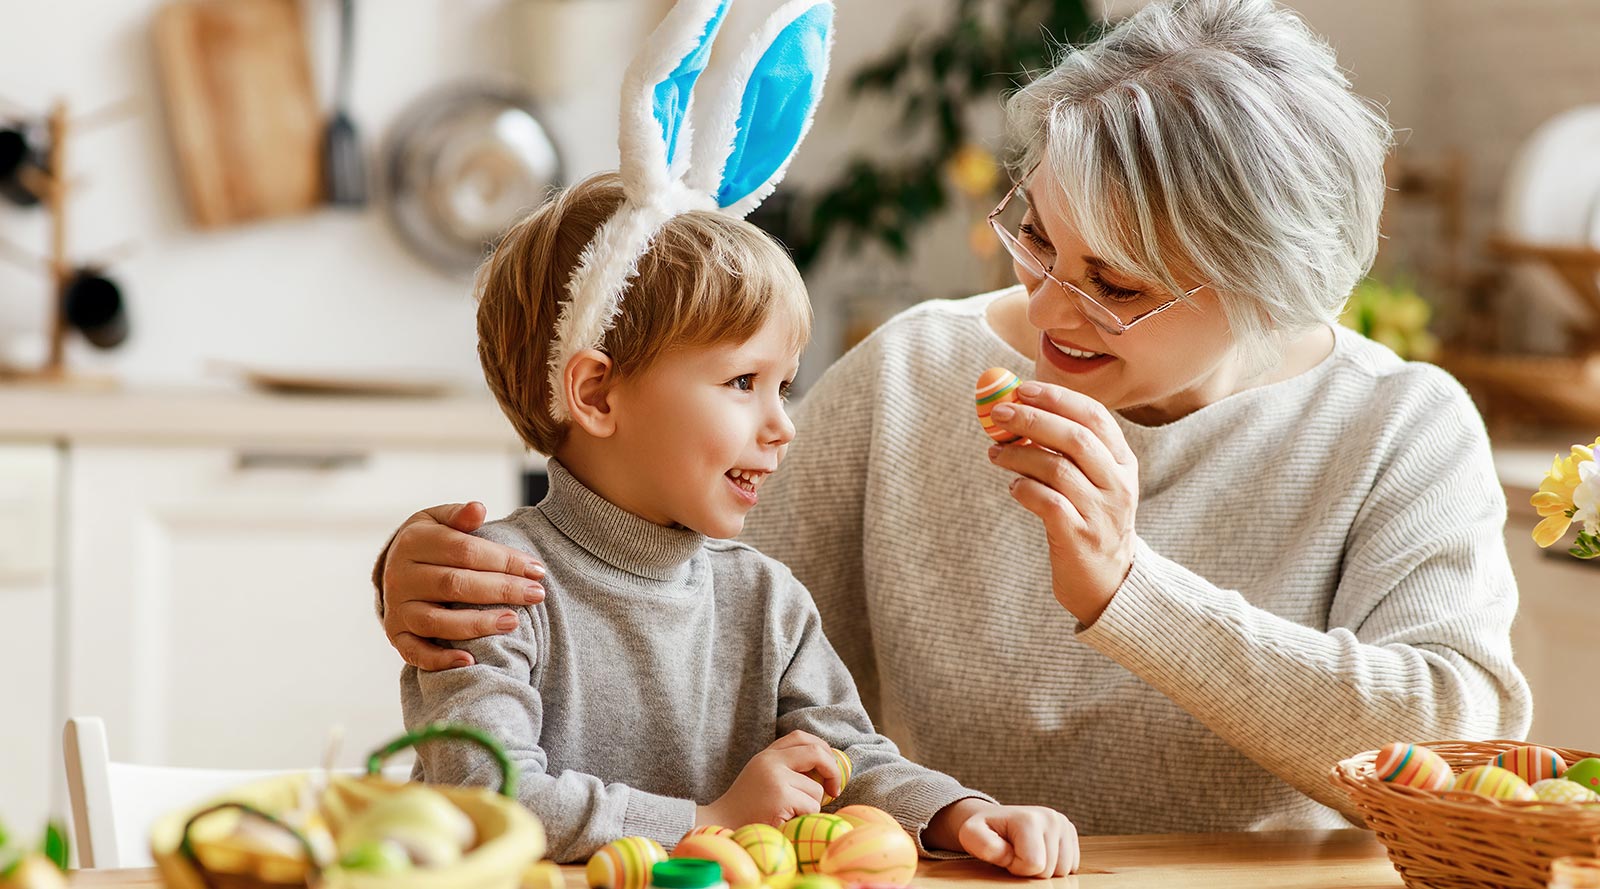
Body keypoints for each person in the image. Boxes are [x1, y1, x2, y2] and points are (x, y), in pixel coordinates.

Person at [378, 0, 1531, 836]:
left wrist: (1131, 593)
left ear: (1269, 284)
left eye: (1117, 284)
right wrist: (443, 570)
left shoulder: (1397, 428)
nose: (1048, 305)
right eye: (1037, 236)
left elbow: (1445, 746)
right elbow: (684, 616)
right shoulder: (919, 372)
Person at [400, 0, 1080, 873]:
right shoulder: (493, 592)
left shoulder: (768, 600)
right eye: (741, 383)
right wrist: (705, 816)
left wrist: (955, 813)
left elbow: (847, 761)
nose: (782, 424)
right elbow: (483, 799)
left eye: (782, 386)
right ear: (597, 392)